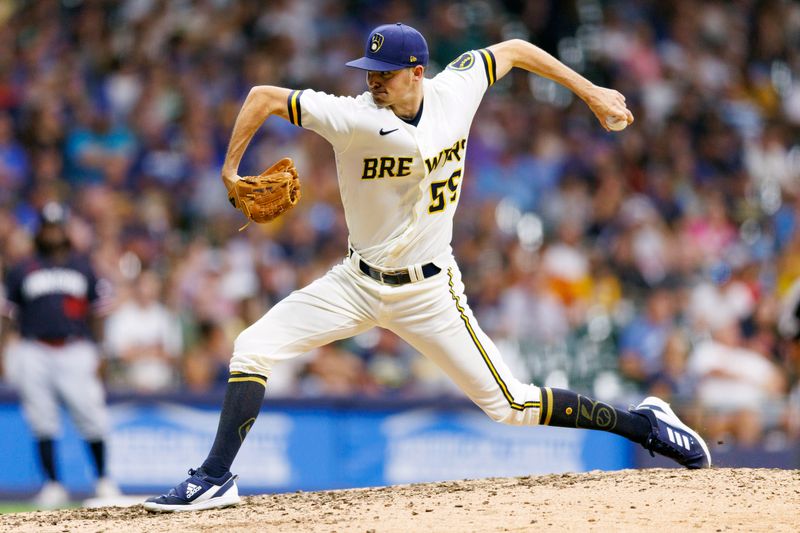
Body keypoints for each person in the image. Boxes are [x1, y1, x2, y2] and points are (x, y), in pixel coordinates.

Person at [144, 23, 710, 512]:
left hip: (430, 292)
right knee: (252, 347)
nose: (372, 81)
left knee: (511, 405)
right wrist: (230, 169)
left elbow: (512, 49)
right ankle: (215, 479)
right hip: (356, 283)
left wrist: (590, 93)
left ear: (416, 72)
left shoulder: (455, 91)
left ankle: (646, 423)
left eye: (384, 72)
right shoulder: (351, 117)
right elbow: (263, 96)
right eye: (369, 70)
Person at [1, 202, 119, 508]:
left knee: (91, 414)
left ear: (65, 230)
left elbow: (99, 311)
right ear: (40, 231)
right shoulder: (22, 268)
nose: (52, 234)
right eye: (48, 228)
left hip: (75, 347)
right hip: (33, 348)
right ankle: (53, 484)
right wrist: (5, 349)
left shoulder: (83, 266)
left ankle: (103, 478)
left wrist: (101, 349)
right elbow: (8, 314)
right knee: (41, 419)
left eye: (57, 227)